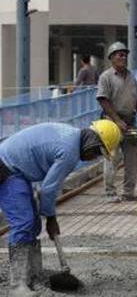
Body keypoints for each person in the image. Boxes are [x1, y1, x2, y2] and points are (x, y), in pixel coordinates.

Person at [0, 120, 121, 294]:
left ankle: (33, 276)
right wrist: (51, 219)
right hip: (6, 167)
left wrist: (47, 217)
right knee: (23, 222)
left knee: (33, 224)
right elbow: (48, 190)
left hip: (18, 170)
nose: (94, 157)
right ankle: (17, 284)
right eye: (97, 152)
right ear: (92, 142)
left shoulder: (70, 138)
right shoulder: (69, 152)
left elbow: (46, 188)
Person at [97, 41, 137, 202]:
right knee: (111, 158)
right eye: (119, 54)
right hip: (111, 123)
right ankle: (110, 193)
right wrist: (117, 120)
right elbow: (103, 100)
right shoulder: (106, 77)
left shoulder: (131, 77)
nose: (123, 57)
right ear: (111, 58)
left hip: (130, 122)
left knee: (132, 159)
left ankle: (128, 192)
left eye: (125, 54)